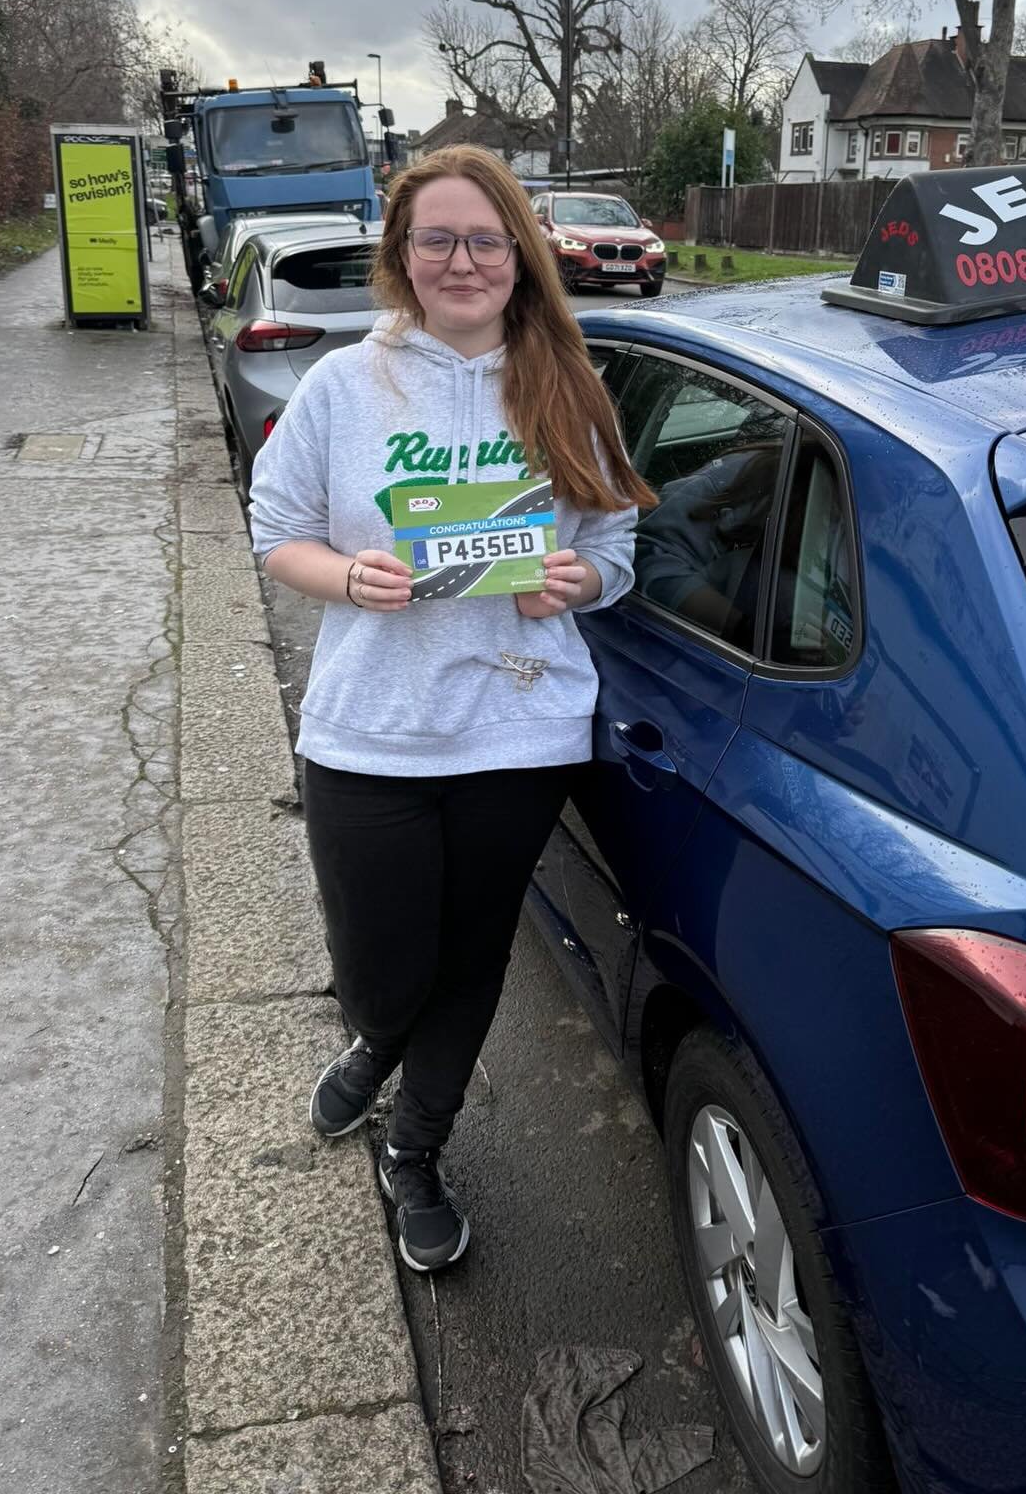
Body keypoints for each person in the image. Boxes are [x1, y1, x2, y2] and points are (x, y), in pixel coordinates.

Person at [248, 143, 654, 1274]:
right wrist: (349, 577)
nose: (463, 261)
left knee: (471, 960)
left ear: (520, 256)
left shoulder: (570, 386)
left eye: (486, 240)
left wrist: (581, 579)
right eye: (438, 239)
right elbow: (276, 531)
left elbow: (616, 541)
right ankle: (376, 1043)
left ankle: (415, 1148)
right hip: (370, 729)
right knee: (383, 969)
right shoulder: (342, 386)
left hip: (517, 729)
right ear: (403, 254)